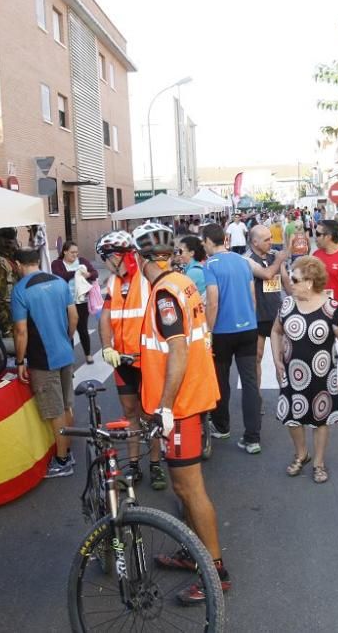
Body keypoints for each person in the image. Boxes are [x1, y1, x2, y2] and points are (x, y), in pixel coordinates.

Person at [131, 223, 230, 604]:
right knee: (181, 486)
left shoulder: (164, 294)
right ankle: (193, 553)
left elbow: (178, 350)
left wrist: (167, 406)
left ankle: (216, 572)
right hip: (190, 399)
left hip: (182, 406)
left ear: (142, 259)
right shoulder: (182, 281)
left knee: (190, 487)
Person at [96, 232, 167, 491]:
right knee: (130, 413)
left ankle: (156, 463)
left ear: (118, 256)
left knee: (151, 414)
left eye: (105, 258)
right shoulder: (114, 282)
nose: (104, 264)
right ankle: (135, 464)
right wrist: (106, 347)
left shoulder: (146, 277)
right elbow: (105, 316)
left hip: (147, 360)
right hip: (122, 360)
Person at [273, 257, 338, 484]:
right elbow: (276, 332)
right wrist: (277, 359)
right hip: (291, 373)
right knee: (292, 417)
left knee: (320, 419)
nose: (289, 282)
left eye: (294, 278)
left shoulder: (331, 308)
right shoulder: (287, 304)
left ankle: (318, 462)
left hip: (322, 374)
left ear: (309, 282)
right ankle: (301, 454)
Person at [12, 248, 79, 478]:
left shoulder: (20, 290)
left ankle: (62, 460)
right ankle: (68, 448)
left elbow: (21, 331)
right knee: (67, 403)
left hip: (42, 358)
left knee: (54, 410)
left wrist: (20, 361)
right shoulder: (59, 281)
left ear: (18, 264)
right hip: (65, 351)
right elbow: (74, 317)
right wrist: (66, 337)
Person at [202, 223, 261, 454]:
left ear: (208, 241)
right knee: (249, 383)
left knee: (221, 380)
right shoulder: (242, 261)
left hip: (222, 332)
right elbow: (252, 296)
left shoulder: (210, 266)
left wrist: (208, 330)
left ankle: (222, 426)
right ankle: (252, 437)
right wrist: (250, 320)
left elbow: (213, 301)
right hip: (248, 328)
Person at [245, 226, 290, 395]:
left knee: (281, 356)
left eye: (271, 238)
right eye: (266, 240)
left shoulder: (274, 256)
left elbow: (284, 279)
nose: (271, 242)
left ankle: (285, 394)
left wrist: (297, 300)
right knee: (257, 356)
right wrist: (279, 260)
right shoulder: (247, 259)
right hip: (257, 315)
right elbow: (267, 275)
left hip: (276, 313)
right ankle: (256, 398)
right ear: (254, 242)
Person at [51, 241, 98, 364]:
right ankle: (69, 358)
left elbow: (95, 273)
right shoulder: (57, 263)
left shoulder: (82, 261)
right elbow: (59, 276)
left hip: (81, 301)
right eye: (72, 252)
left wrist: (88, 274)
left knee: (82, 328)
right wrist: (76, 272)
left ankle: (88, 354)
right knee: (68, 330)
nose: (75, 255)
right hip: (65, 302)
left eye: (76, 252)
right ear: (65, 251)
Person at [175, 236, 207, 302]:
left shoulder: (193, 272)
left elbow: (181, 298)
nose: (178, 254)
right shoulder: (198, 267)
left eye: (180, 251)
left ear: (191, 253)